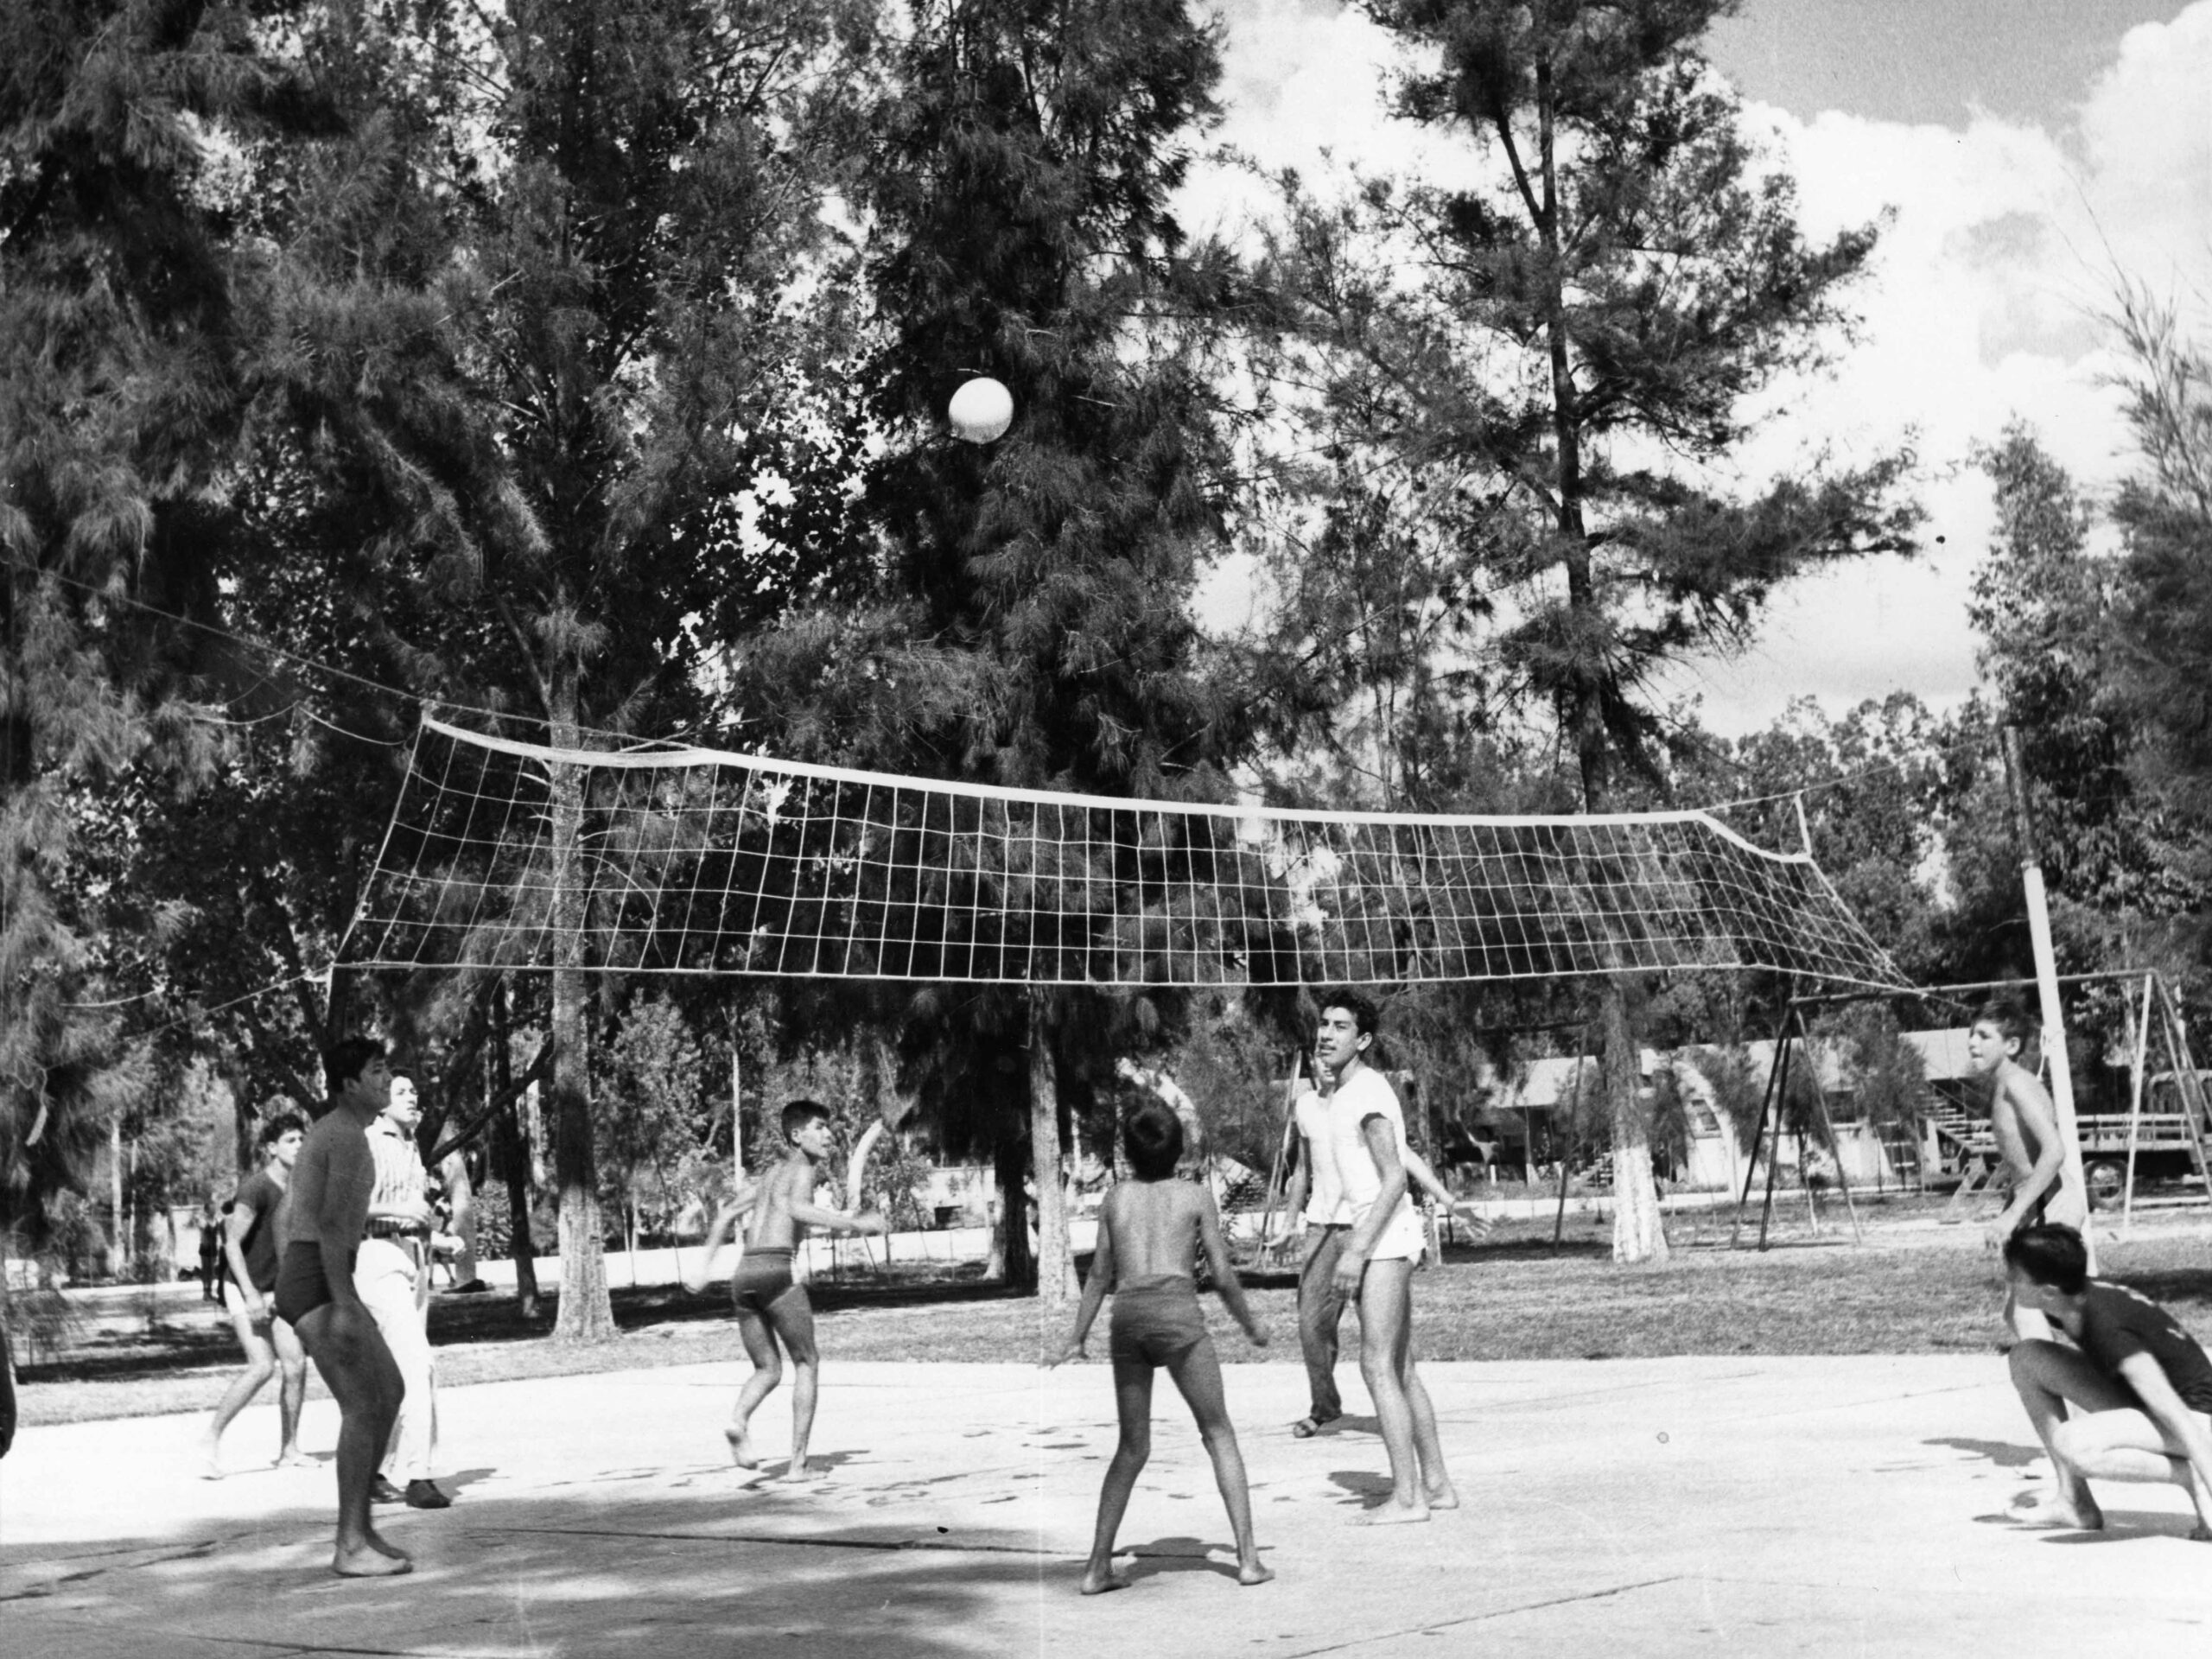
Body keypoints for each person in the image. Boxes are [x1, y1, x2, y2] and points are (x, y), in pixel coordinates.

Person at [1052, 1098, 1272, 1594]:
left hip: (1128, 1320)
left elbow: (1100, 1275)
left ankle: (1096, 1568)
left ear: (1128, 1154)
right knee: (1218, 1432)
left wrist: (1077, 1336)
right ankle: (1249, 1561)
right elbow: (1222, 1275)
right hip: (1177, 1319)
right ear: (1179, 1150)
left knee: (1132, 1447)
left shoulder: (1116, 1199)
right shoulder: (1195, 1197)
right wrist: (1250, 1324)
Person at [1281, 1046, 1489, 1440]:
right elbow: (1303, 1170)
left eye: (1335, 1046)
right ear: (1312, 1065)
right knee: (1312, 1325)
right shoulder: (1306, 1106)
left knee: (1386, 1351)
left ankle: (1405, 1426)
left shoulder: (1366, 1095)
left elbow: (1401, 1159)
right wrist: (1290, 1222)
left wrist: (1449, 1202)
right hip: (1321, 1229)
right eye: (1319, 1054)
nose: (1326, 1061)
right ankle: (1325, 1407)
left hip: (1368, 1230)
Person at [1319, 988, 1457, 1523]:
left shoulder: (1367, 1092)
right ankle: (1436, 1485)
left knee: (1376, 1366)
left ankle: (1406, 1498)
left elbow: (1395, 1178)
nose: (1327, 1034)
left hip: (1384, 1242)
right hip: (1383, 1238)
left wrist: (1356, 1251)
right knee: (1400, 1368)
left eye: (1341, 1027)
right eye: (1324, 1024)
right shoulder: (1344, 1092)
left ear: (1363, 1040)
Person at [695, 1101, 888, 1478]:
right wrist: (857, 1225)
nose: (829, 1135)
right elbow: (798, 1209)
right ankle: (798, 1466)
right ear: (797, 1136)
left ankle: (738, 1420)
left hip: (743, 1276)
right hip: (776, 1269)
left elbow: (727, 1213)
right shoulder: (803, 1169)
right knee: (807, 1362)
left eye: (828, 1127)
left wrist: (703, 1270)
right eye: (820, 1127)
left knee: (767, 1369)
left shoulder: (770, 1175)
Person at [276, 1037, 411, 1577]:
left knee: (391, 1390)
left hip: (316, 1274)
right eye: (377, 1071)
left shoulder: (339, 1133)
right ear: (350, 1084)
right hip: (319, 1280)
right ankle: (350, 1545)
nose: (387, 1079)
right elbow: (332, 1228)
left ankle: (363, 1530)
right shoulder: (346, 1137)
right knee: (362, 1405)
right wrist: (344, 1301)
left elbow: (292, 1214)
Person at [2002, 1223, 2212, 1539]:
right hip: (2152, 1410)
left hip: (2198, 1420)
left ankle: (2190, 1475)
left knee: (2074, 1444)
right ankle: (2074, 1503)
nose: (2008, 1281)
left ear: (2048, 1291)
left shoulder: (2106, 1324)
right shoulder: (2070, 1297)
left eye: (2016, 1277)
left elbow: (2176, 1413)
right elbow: (2016, 1316)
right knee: (2027, 1358)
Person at [199, 1112, 311, 1477]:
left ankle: (289, 1449)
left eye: (302, 1139)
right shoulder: (256, 1188)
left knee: (296, 1366)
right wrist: (250, 1296)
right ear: (272, 1148)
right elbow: (231, 1243)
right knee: (262, 1366)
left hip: (279, 1289)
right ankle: (211, 1439)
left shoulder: (303, 1187)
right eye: (291, 1140)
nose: (299, 1145)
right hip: (243, 1284)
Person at [356, 1071, 448, 1510]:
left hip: (413, 1255)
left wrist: (439, 1238)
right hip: (377, 1256)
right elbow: (346, 1207)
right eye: (402, 1091)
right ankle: (418, 1476)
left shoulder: (411, 1146)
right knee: (418, 1363)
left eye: (414, 1091)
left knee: (395, 1372)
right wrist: (403, 1210)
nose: (412, 1097)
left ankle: (371, 1470)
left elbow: (413, 1212)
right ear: (381, 1101)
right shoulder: (369, 1142)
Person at [1968, 1000, 2087, 1338]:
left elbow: (2054, 1151)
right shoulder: (2005, 1084)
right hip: (2037, 1204)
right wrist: (2013, 1208)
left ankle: (2102, 1360)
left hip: (2051, 1203)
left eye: (1984, 1036)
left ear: (2012, 1045)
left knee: (2027, 1312)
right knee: (2017, 1312)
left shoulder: (2017, 1084)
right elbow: (2024, 1162)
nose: (1973, 1043)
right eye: (1972, 1035)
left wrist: (2012, 1215)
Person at [197, 1198, 224, 1302]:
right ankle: (205, 1292)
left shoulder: (217, 1220)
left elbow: (220, 1232)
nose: (214, 1210)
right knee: (206, 1270)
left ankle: (209, 1292)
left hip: (213, 1247)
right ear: (207, 1210)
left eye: (214, 1208)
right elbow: (203, 1231)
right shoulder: (203, 1220)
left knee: (212, 1271)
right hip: (205, 1247)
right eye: (212, 1208)